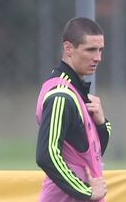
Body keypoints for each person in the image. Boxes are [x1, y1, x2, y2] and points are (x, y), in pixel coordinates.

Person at [35, 17, 112, 202]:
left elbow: (92, 152)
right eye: (90, 50)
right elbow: (47, 155)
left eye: (101, 50)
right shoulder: (61, 95)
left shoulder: (75, 91)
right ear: (68, 48)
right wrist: (86, 192)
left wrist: (101, 124)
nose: (98, 58)